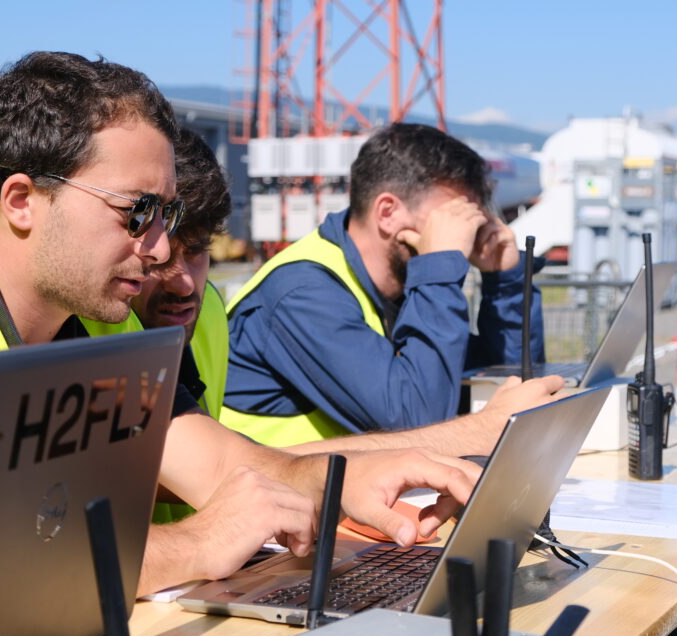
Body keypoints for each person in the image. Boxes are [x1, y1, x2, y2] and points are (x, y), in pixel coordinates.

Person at [0, 52, 487, 628]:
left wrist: (351, 481)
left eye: (171, 215)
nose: (158, 250)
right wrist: (195, 544)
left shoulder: (94, 325)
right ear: (23, 200)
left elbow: (222, 468)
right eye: (138, 213)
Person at [222, 123, 549, 448]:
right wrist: (437, 268)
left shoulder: (400, 288)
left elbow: (508, 377)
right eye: (450, 219)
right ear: (388, 212)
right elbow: (417, 424)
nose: (464, 235)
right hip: (262, 492)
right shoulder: (302, 293)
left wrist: (505, 279)